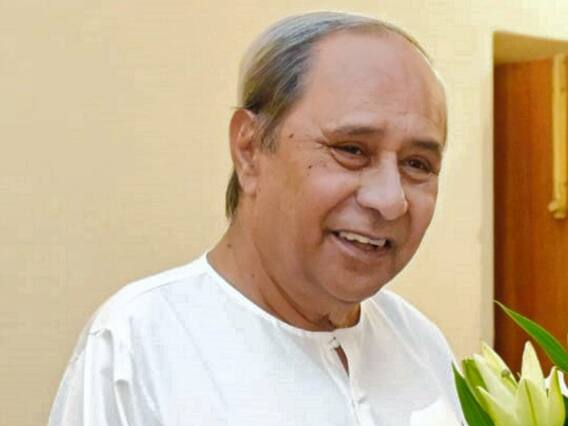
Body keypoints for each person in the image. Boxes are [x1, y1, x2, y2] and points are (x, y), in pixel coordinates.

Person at [49, 11, 463, 426]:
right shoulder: (139, 346)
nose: (389, 200)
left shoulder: (421, 347)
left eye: (417, 164)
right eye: (352, 150)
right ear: (249, 149)